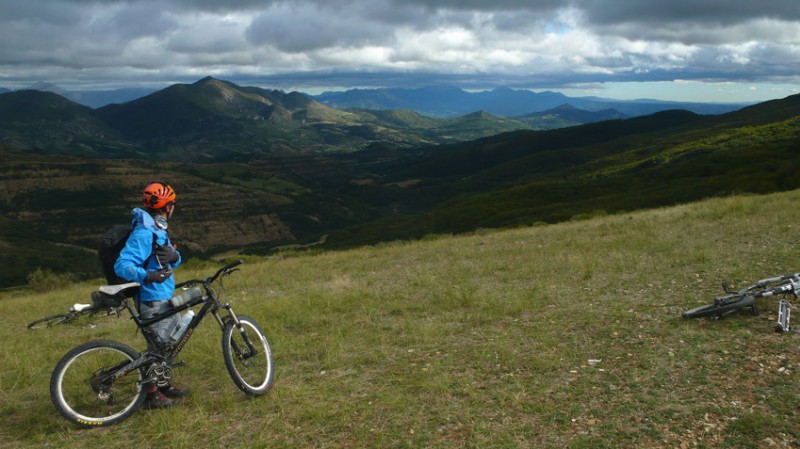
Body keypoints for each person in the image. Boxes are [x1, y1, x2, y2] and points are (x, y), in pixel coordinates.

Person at [114, 181, 188, 409]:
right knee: (156, 348)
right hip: (151, 299)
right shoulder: (145, 232)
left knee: (166, 344)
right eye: (172, 204)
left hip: (165, 296)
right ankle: (151, 396)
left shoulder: (158, 229)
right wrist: (147, 276)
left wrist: (175, 256)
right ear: (167, 207)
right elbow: (122, 265)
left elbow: (169, 259)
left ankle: (163, 384)